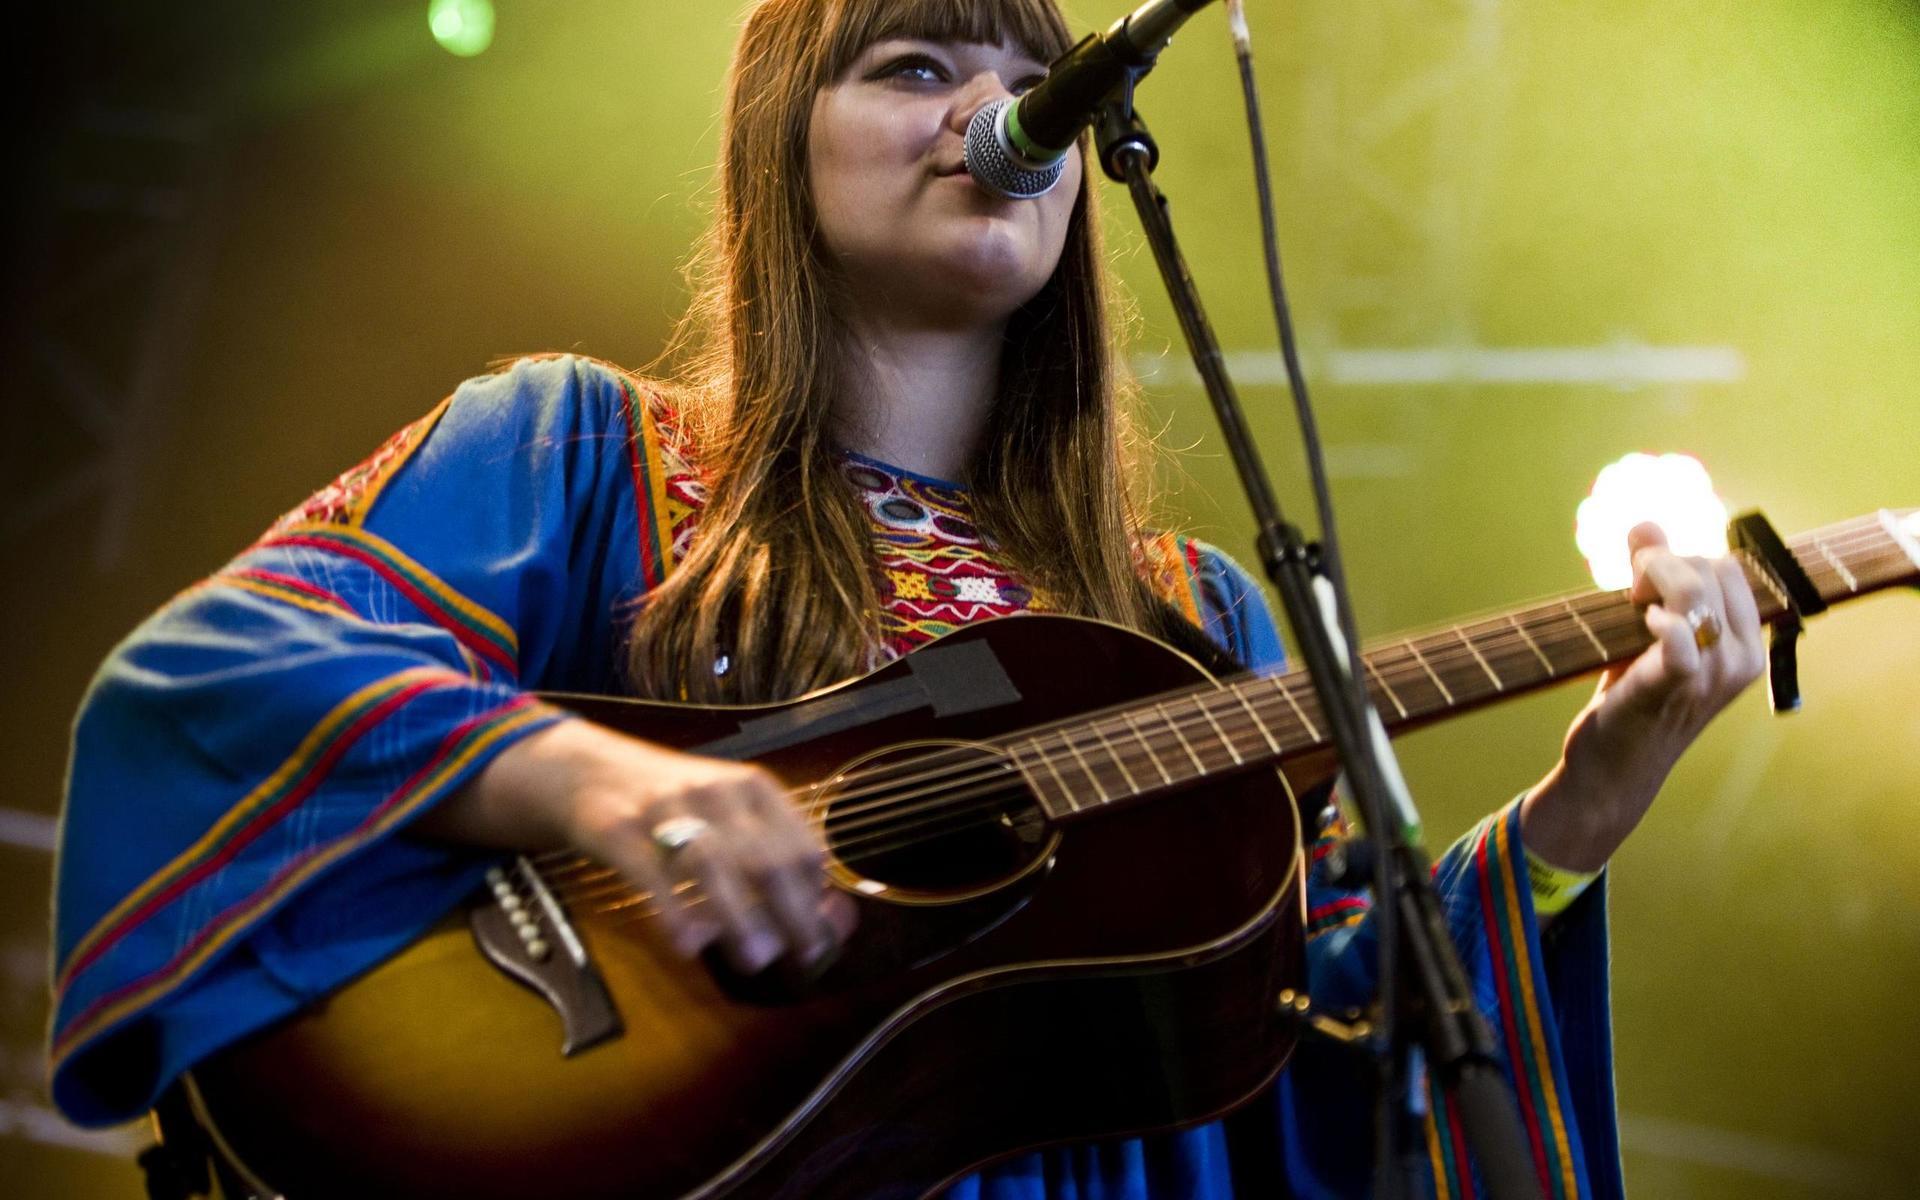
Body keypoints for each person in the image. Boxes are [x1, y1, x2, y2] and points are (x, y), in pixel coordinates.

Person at [48, 0, 1764, 1195]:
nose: (992, 112)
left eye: (1031, 72)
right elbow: (230, 667)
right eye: (914, 61)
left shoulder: (1203, 621)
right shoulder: (575, 450)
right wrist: (614, 785)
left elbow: (1319, 1035)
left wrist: (1588, 799)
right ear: (775, 143)